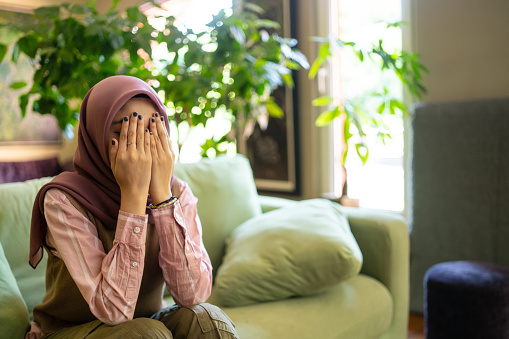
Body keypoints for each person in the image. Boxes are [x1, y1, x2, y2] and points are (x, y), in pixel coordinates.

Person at [26, 75, 238, 339]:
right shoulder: (63, 199)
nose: (141, 148)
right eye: (124, 133)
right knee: (143, 334)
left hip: (146, 322)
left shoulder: (177, 192)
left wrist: (162, 199)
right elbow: (113, 311)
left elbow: (193, 295)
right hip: (70, 331)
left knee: (208, 320)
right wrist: (134, 197)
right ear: (96, 134)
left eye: (152, 131)